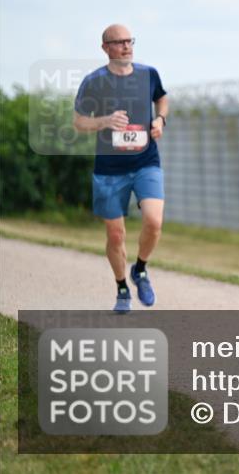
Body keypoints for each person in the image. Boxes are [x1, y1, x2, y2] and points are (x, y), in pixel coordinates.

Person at [73, 24, 168, 314]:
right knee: (115, 235)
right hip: (109, 168)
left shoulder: (148, 74)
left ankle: (140, 269)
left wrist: (160, 120)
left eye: (130, 41)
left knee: (154, 221)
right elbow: (79, 122)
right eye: (119, 42)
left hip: (145, 161)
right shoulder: (94, 82)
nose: (126, 46)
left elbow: (161, 98)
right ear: (105, 48)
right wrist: (104, 121)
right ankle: (122, 287)